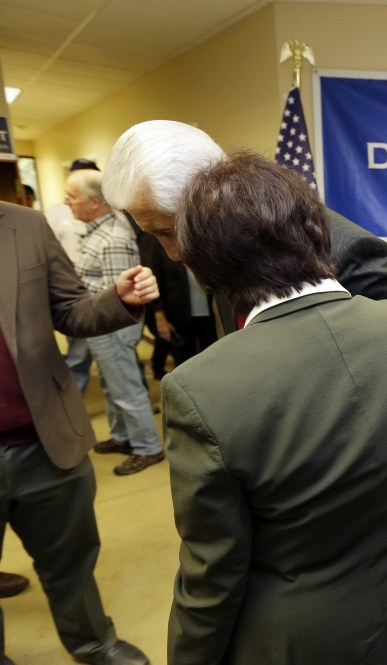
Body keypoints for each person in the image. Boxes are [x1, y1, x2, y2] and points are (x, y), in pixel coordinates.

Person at [161, 152, 387, 664]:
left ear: (208, 267)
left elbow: (214, 572)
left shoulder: (199, 390)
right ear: (316, 231)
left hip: (300, 638)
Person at [101, 120, 387, 367]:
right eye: (154, 235)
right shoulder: (219, 254)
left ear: (212, 195)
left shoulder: (347, 249)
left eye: (172, 231)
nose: (174, 253)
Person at [0, 200, 157, 665]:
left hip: (45, 437)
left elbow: (69, 309)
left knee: (72, 559)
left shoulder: (25, 225)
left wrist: (119, 300)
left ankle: (93, 643)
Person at [64, 169, 164, 475]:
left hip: (113, 330)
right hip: (100, 329)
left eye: (72, 197)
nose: (67, 202)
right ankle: (123, 436)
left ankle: (148, 447)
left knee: (126, 388)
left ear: (95, 202)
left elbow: (120, 299)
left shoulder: (113, 238)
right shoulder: (96, 232)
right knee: (110, 386)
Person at [137, 232, 215, 378]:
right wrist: (160, 317)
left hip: (210, 311)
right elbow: (154, 277)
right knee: (185, 362)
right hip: (177, 314)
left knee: (213, 358)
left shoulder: (198, 229)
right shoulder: (155, 238)